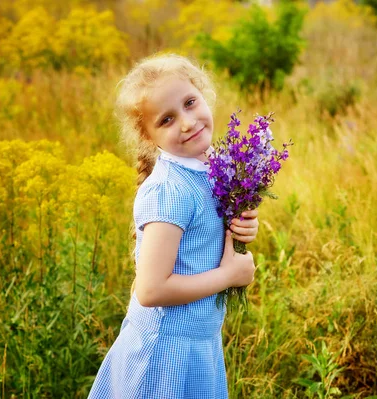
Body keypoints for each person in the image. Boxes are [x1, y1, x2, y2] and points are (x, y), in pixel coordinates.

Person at [88, 54, 258, 399]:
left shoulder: (215, 165)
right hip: (165, 353)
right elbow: (151, 290)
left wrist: (243, 228)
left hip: (199, 341)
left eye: (190, 103)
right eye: (166, 119)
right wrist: (229, 276)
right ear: (148, 136)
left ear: (203, 94)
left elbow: (207, 233)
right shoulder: (170, 190)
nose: (186, 123)